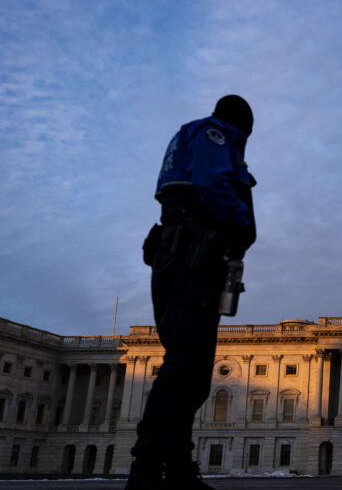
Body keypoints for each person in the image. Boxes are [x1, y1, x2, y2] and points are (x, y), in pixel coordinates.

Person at [128, 95, 257, 489]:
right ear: (241, 125)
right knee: (186, 366)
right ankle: (147, 469)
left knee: (193, 372)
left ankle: (177, 467)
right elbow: (211, 182)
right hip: (193, 256)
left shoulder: (188, 135)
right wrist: (242, 223)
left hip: (183, 253)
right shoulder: (213, 135)